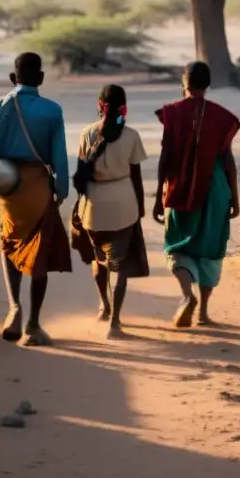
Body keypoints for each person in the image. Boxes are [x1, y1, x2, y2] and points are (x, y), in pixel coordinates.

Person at [0, 52, 71, 347]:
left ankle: (14, 307)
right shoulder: (52, 111)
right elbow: (59, 158)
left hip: (8, 188)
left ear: (13, 79)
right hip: (38, 187)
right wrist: (60, 191)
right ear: (40, 79)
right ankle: (33, 325)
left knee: (9, 242)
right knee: (40, 250)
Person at [152, 61, 240, 328]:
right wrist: (235, 198)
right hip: (214, 189)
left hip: (180, 187)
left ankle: (186, 296)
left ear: (184, 83)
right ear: (208, 84)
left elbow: (165, 157)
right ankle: (202, 312)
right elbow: (228, 161)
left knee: (177, 245)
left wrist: (158, 195)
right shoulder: (222, 117)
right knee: (210, 250)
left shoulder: (172, 113)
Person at [74, 84, 150, 339]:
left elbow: (81, 174)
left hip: (93, 208)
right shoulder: (131, 136)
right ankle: (115, 322)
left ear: (99, 106)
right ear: (123, 108)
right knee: (122, 266)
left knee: (100, 259)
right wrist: (140, 207)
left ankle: (103, 306)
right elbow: (137, 178)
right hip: (123, 206)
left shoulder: (86, 134)